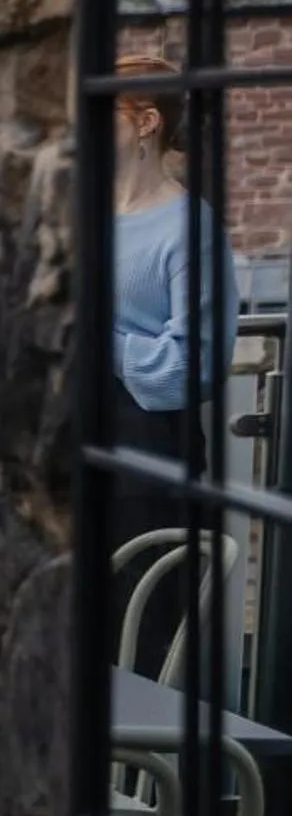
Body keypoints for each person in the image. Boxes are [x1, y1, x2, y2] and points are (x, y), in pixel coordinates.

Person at [107, 53, 239, 677]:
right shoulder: (80, 215)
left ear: (146, 123)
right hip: (77, 444)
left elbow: (197, 366)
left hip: (150, 456)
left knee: (143, 641)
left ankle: (140, 776)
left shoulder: (191, 229)